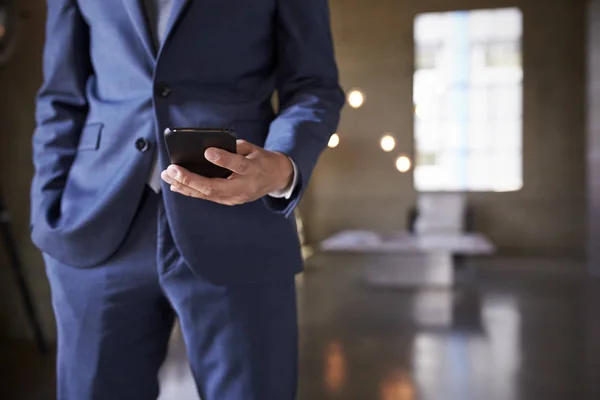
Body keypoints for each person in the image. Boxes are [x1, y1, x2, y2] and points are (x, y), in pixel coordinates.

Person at [29, 0, 344, 398]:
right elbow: (60, 95)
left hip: (239, 219)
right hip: (95, 221)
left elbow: (315, 86)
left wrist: (283, 167)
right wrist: (47, 208)